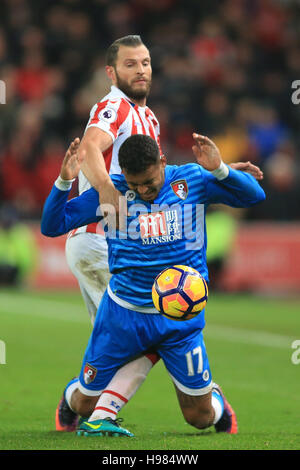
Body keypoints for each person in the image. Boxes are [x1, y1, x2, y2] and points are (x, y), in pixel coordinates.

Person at [60, 34, 264, 433]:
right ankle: (105, 415)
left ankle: (79, 404)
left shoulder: (147, 116)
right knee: (150, 325)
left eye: (146, 62)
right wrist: (105, 191)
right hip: (104, 236)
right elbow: (89, 148)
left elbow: (162, 175)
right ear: (111, 72)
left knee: (145, 330)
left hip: (113, 240)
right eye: (131, 64)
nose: (141, 70)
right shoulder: (113, 106)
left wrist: (221, 172)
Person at [41, 132, 265, 437]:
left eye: (149, 182)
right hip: (123, 315)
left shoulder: (191, 181)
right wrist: (63, 182)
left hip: (180, 318)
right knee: (85, 405)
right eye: (135, 184)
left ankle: (218, 405)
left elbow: (254, 196)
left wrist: (220, 169)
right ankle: (70, 400)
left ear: (162, 162)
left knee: (199, 417)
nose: (143, 190)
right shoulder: (113, 193)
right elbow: (52, 225)